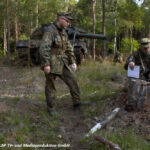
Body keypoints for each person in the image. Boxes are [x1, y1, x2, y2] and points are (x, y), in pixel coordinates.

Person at [39, 12, 82, 115]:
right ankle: (51, 108)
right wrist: (46, 64)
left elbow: (68, 47)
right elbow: (44, 48)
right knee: (50, 86)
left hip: (62, 61)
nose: (68, 23)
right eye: (67, 21)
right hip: (52, 62)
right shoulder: (50, 31)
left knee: (73, 79)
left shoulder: (63, 32)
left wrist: (73, 61)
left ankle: (77, 102)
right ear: (60, 19)